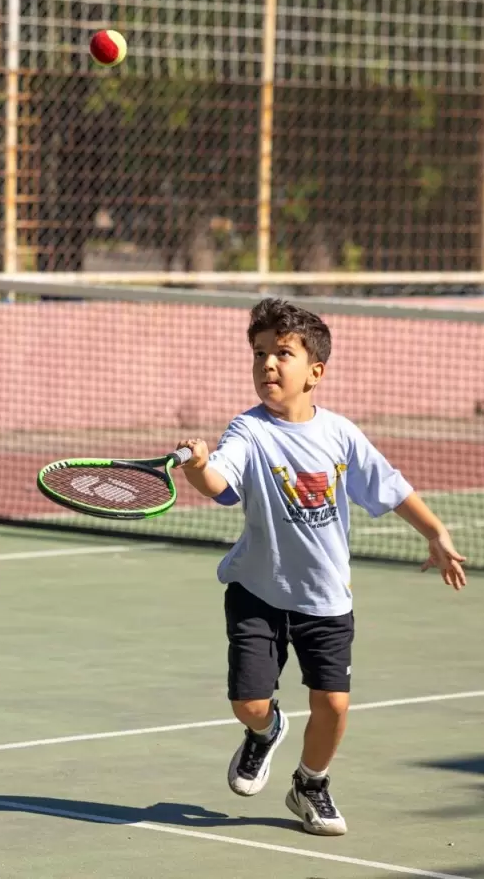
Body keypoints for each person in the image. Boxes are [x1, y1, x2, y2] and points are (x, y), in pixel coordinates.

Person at [175, 297, 467, 835]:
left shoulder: (340, 434)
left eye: (282, 353)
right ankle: (265, 733)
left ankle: (310, 784)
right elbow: (219, 485)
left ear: (315, 372)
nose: (267, 364)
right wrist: (196, 467)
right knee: (249, 703)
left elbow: (391, 487)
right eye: (259, 353)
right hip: (257, 591)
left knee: (333, 703)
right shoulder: (247, 430)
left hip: (326, 597)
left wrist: (437, 533)